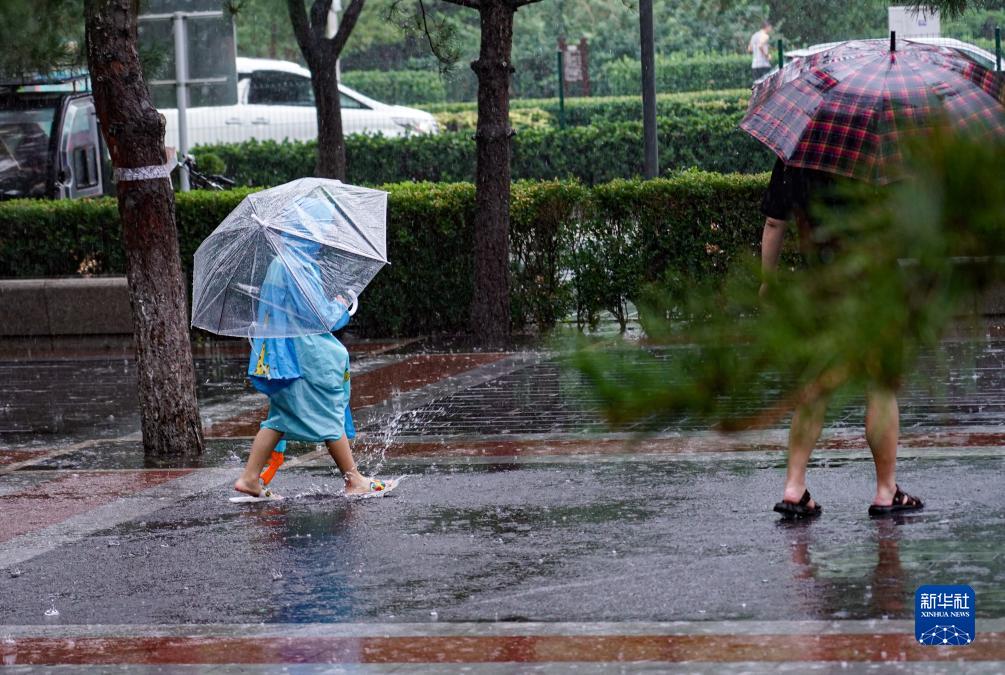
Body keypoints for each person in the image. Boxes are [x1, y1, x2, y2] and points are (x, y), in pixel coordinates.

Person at [759, 158, 924, 518]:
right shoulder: (876, 146)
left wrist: (766, 281)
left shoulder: (798, 149)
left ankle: (794, 487)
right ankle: (885, 491)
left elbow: (774, 221)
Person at [233, 198, 389, 499]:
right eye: (322, 228)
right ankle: (353, 478)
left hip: (282, 357)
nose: (324, 235)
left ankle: (250, 477)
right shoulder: (298, 266)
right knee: (328, 411)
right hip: (305, 356)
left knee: (279, 417)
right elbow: (322, 317)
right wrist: (344, 304)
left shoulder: (282, 262)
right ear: (308, 229)